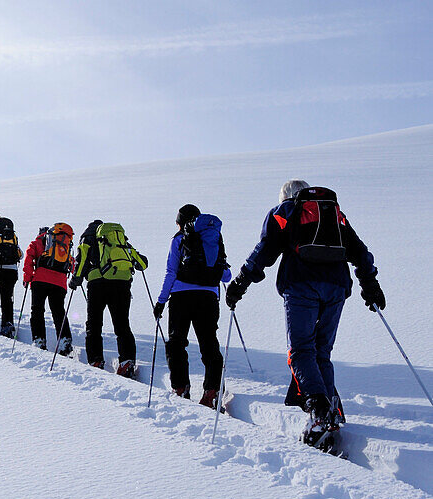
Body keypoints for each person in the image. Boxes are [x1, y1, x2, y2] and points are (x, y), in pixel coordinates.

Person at [226, 180, 383, 445]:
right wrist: (370, 284)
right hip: (337, 288)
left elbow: (263, 251)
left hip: (301, 285)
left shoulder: (283, 211)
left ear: (285, 196)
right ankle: (331, 412)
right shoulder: (333, 214)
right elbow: (359, 251)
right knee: (322, 350)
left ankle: (319, 414)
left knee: (301, 351)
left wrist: (240, 283)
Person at [152, 204, 231, 409]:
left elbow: (171, 272)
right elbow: (226, 275)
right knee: (209, 343)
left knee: (176, 343)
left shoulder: (178, 240)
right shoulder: (213, 239)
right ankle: (211, 391)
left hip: (181, 298)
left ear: (180, 222)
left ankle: (180, 388)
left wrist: (161, 301)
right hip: (208, 297)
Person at [70, 220, 148, 377]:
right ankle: (127, 362)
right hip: (121, 284)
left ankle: (95, 360)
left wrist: (75, 279)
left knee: (94, 324)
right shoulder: (118, 240)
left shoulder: (88, 238)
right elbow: (142, 263)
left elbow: (82, 259)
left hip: (97, 284)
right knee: (122, 325)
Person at [23, 223, 75, 352]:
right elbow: (72, 265)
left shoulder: (37, 243)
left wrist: (27, 278)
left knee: (37, 310)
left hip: (40, 280)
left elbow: (28, 259)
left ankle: (39, 339)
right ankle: (65, 340)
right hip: (59, 283)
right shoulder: (65, 244)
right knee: (58, 311)